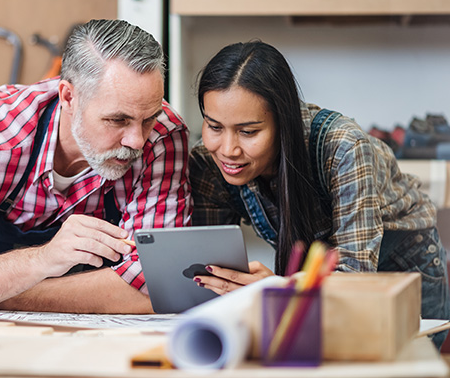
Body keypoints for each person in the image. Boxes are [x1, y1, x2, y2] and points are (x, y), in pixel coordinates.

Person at [0, 19, 191, 313]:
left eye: (148, 118)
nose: (137, 141)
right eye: (118, 120)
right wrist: (44, 259)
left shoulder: (163, 137)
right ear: (68, 97)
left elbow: (159, 283)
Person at [189, 40, 450, 348]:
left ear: (283, 122)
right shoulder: (208, 163)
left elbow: (355, 276)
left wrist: (280, 288)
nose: (228, 150)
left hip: (396, 274)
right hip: (314, 282)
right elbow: (209, 269)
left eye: (248, 132)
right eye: (214, 126)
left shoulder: (343, 147)